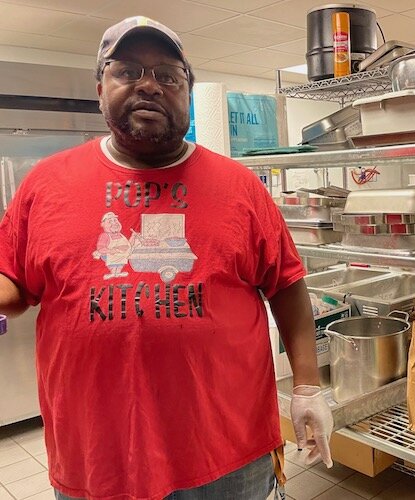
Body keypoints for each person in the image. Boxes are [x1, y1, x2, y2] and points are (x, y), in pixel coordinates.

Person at [0, 15, 333, 500]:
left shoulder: (239, 187)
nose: (149, 86)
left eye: (168, 76)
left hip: (226, 453)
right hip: (97, 454)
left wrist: (306, 387)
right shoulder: (45, 185)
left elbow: (286, 284)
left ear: (187, 94)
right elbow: (12, 282)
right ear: (100, 87)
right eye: (128, 70)